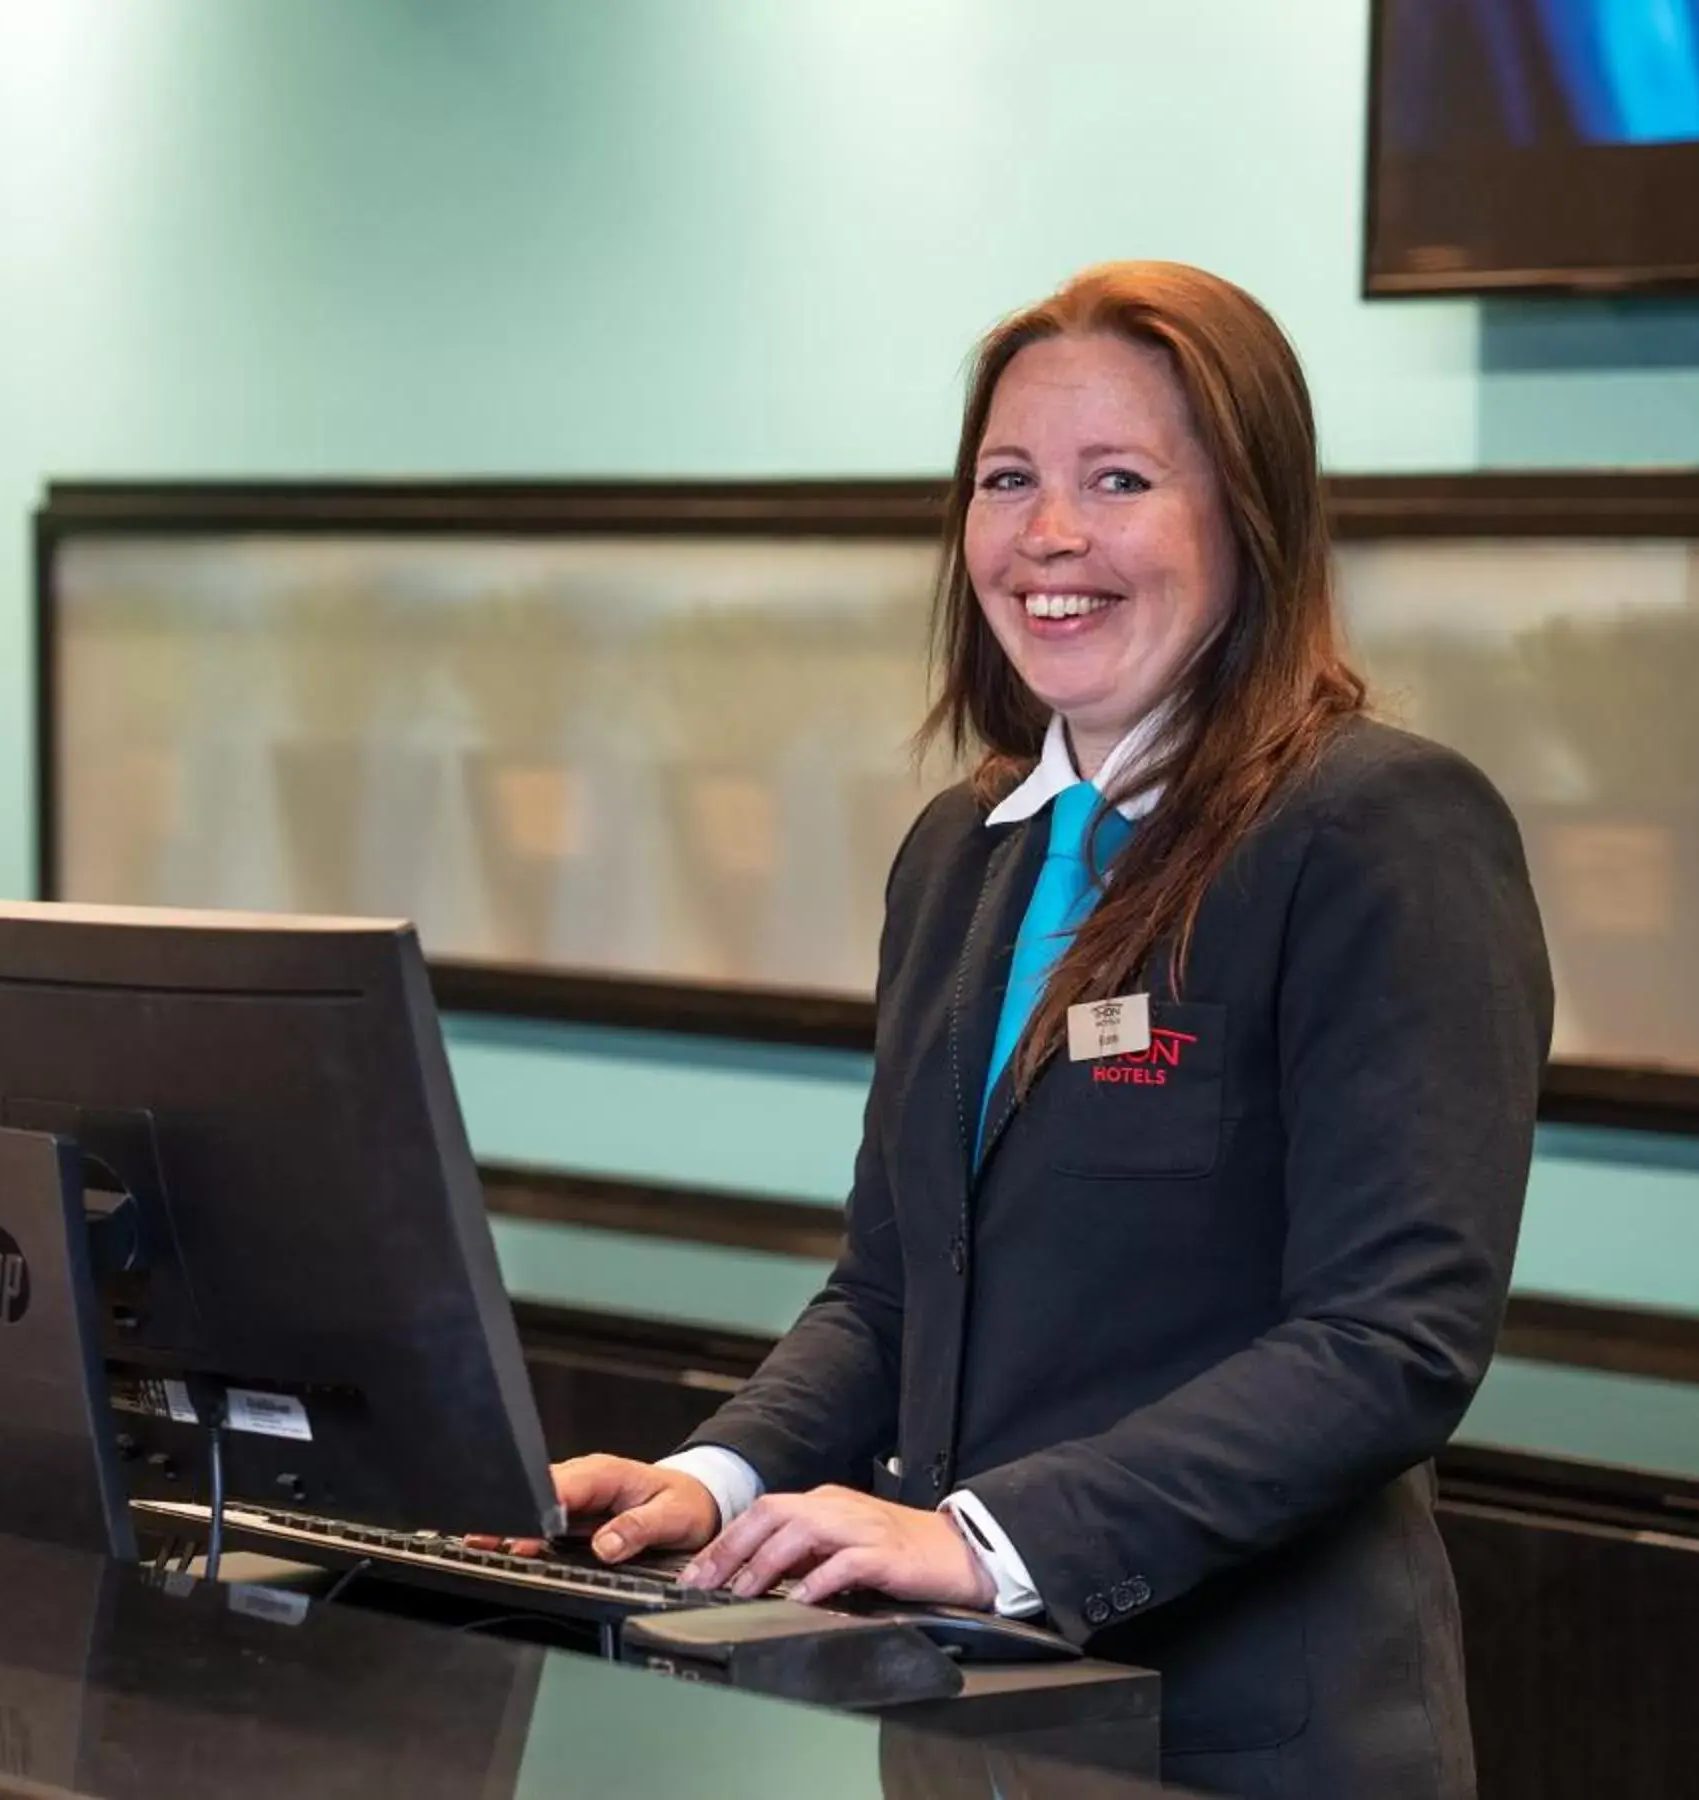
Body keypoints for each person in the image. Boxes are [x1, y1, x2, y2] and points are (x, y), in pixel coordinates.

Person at [534, 264, 1552, 1796]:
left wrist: (981, 1541)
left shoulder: (1373, 830)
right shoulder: (965, 852)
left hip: (1246, 1744)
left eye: (1118, 481)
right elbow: (891, 1291)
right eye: (1009, 480)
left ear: (1249, 521)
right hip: (968, 1729)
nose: (1049, 536)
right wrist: (713, 1479)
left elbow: (1387, 1341)